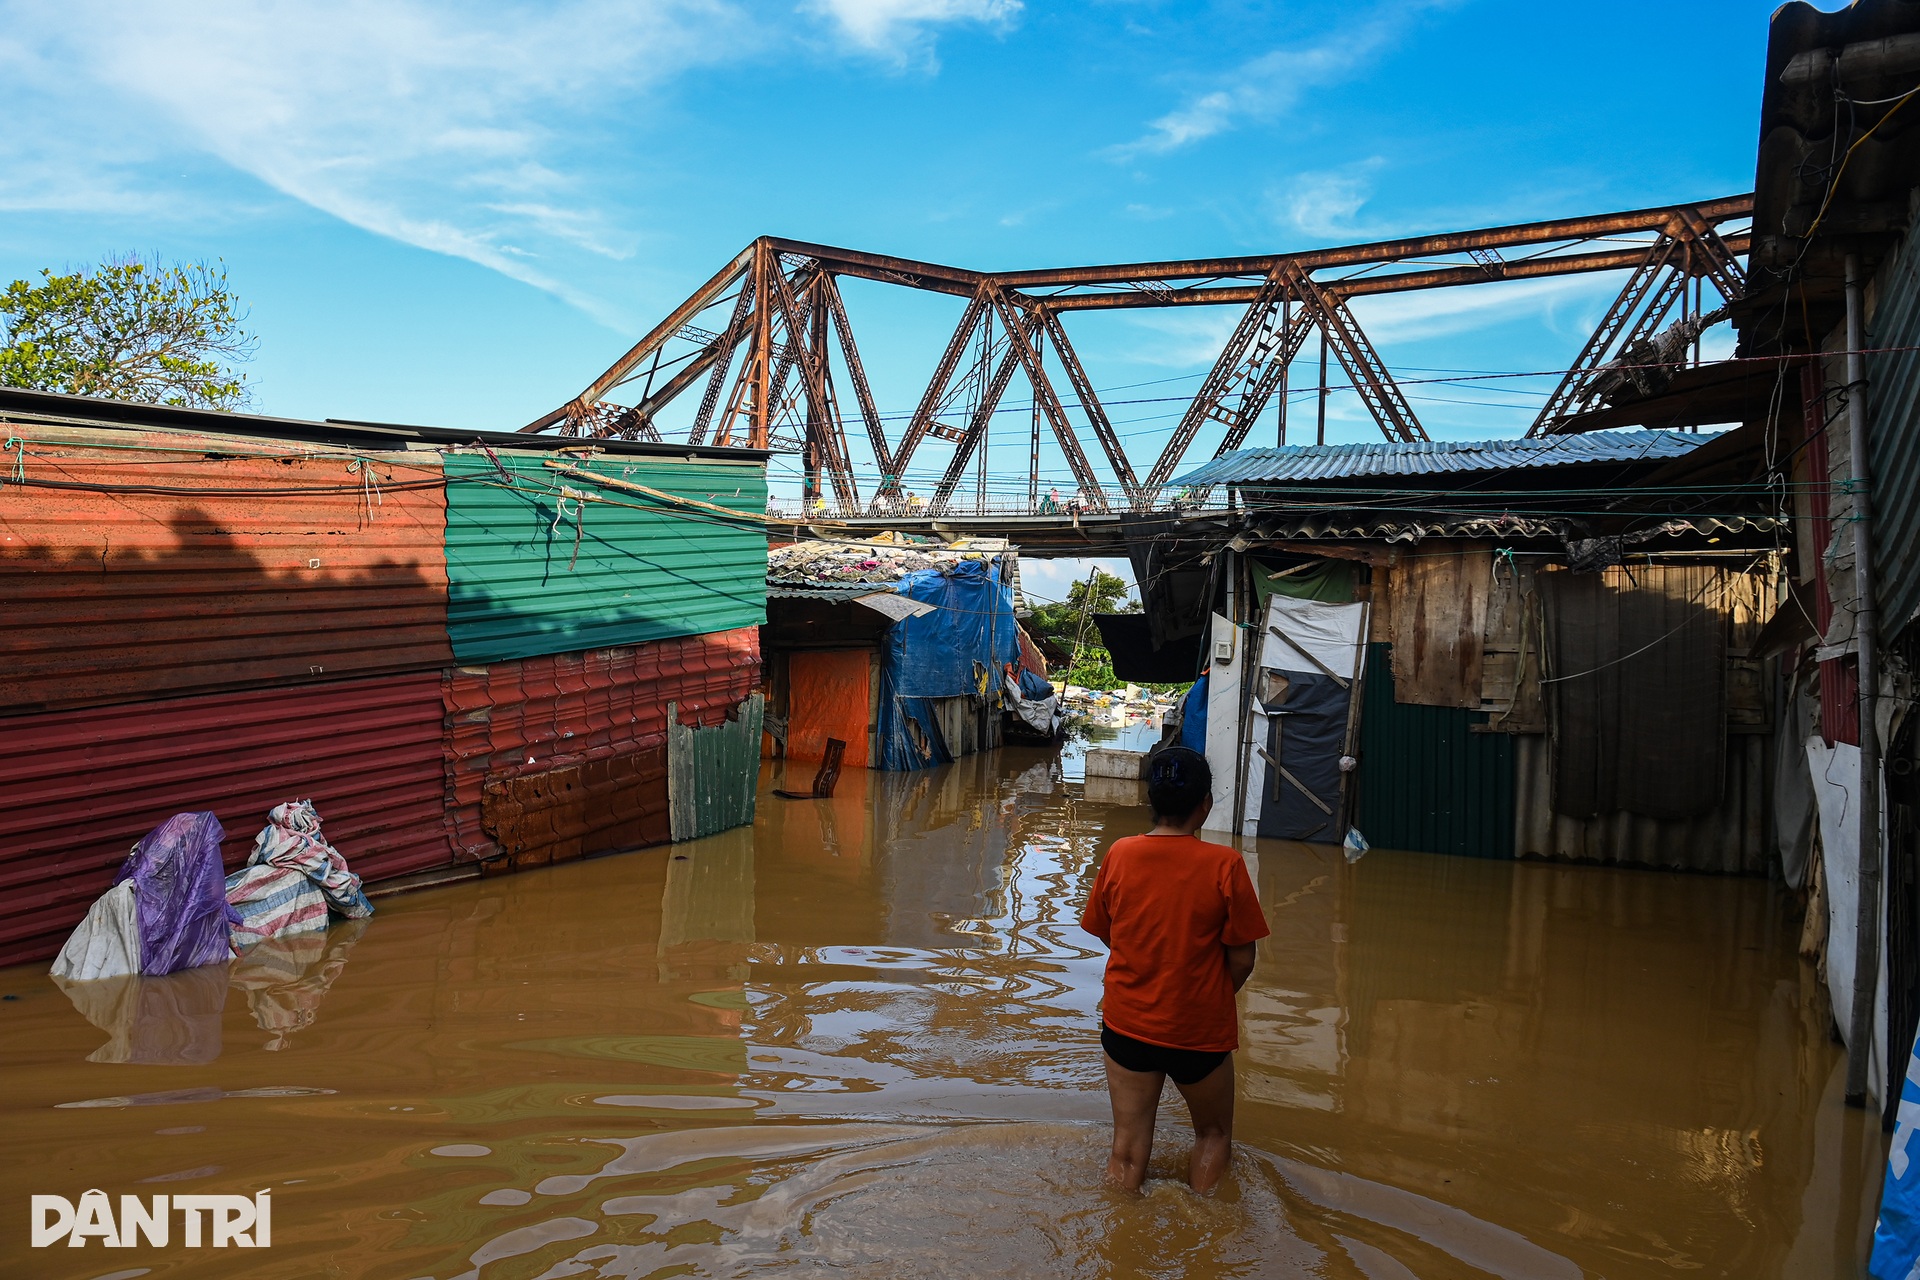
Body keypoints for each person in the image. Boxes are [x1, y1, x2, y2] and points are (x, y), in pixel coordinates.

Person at [1079, 746, 1269, 1194]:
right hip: (1198, 1031)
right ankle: (1203, 1226)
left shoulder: (1120, 854)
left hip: (1128, 1026)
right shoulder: (1226, 866)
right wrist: (1207, 993)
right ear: (1205, 805)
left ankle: (1119, 1231)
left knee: (1125, 1147)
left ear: (1151, 801)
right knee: (1213, 1134)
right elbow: (1242, 959)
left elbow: (1109, 933)